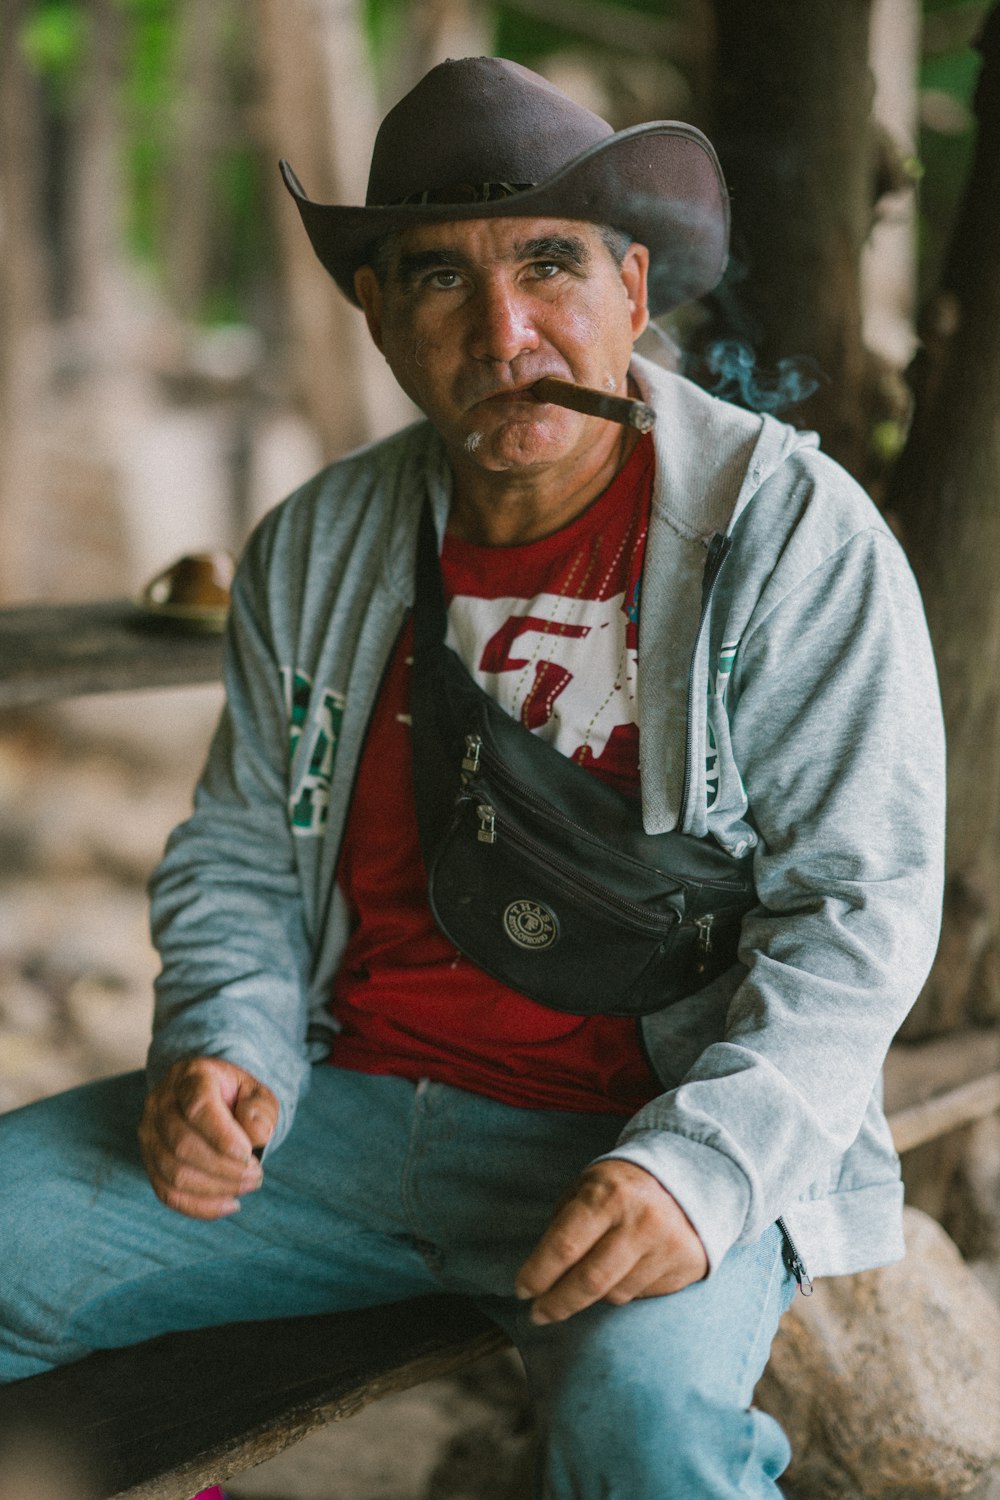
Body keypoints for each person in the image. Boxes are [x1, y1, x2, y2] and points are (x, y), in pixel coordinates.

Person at [0, 56, 945, 1499]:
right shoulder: (318, 544)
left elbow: (862, 911)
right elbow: (246, 845)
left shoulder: (793, 538)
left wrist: (699, 1172)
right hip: (336, 1116)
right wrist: (225, 1045)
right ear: (376, 315)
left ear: (636, 286)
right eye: (439, 282)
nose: (507, 333)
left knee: (650, 1445)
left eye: (552, 264)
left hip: (645, 1132)